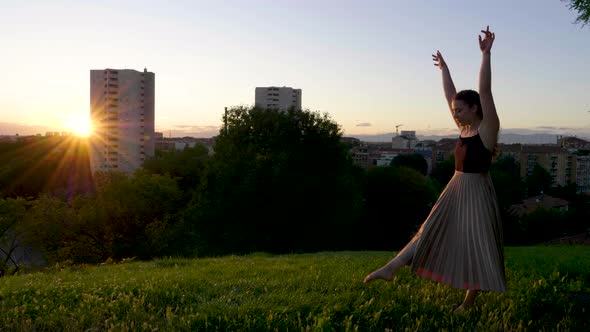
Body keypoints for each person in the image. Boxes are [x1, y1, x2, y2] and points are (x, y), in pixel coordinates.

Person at [363, 26, 505, 313]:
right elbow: (450, 94)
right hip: (455, 187)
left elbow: (486, 91)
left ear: (476, 109)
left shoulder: (487, 130)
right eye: (454, 111)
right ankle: (391, 267)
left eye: (460, 110)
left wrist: (486, 55)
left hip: (477, 191)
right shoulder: (464, 128)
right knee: (428, 229)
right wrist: (444, 69)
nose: (455, 113)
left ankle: (468, 302)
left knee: (476, 244)